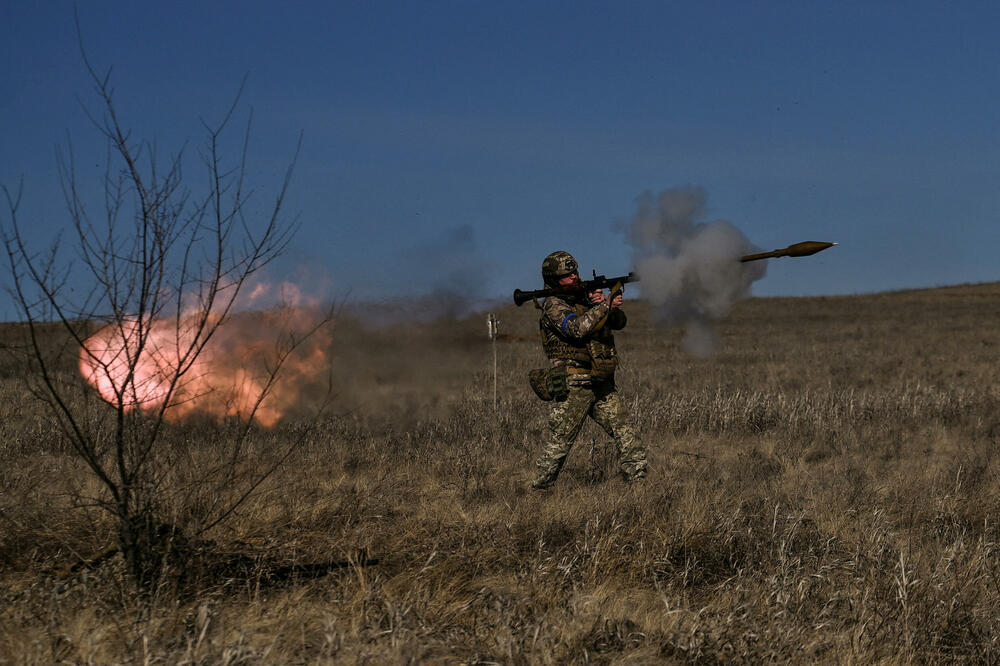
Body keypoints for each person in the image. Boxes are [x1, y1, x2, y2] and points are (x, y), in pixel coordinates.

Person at [531, 251, 647, 490]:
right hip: (573, 383)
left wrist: (606, 306)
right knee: (561, 442)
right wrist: (604, 305)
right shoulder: (553, 305)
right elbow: (576, 328)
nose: (574, 276)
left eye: (575, 272)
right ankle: (539, 489)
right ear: (553, 279)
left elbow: (619, 323)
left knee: (625, 430)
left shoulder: (583, 300)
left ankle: (638, 484)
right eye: (567, 274)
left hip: (599, 379)